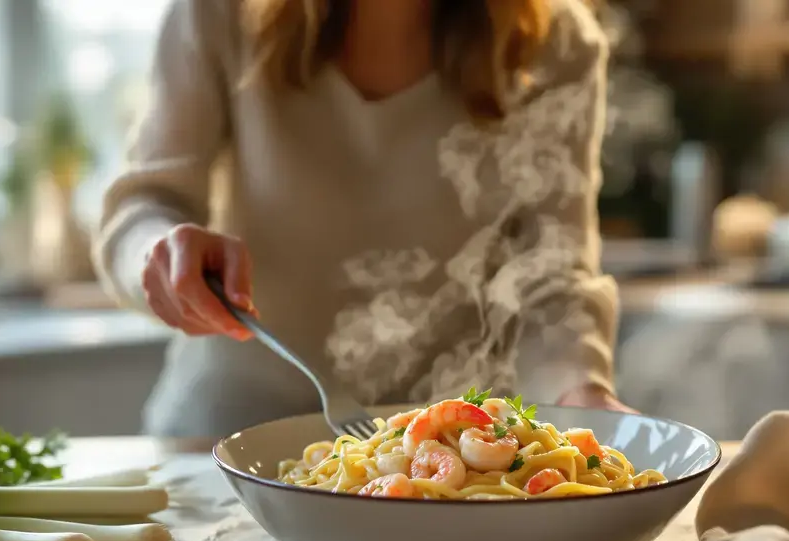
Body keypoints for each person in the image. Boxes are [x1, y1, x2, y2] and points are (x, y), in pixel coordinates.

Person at [93, 0, 631, 437]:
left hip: (450, 451)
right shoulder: (216, 14)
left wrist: (580, 392)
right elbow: (143, 206)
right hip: (223, 437)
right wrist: (161, 253)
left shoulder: (558, 47)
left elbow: (551, 276)